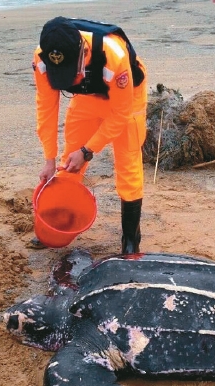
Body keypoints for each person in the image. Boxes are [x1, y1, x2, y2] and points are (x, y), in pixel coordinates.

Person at [32, 17, 148, 254]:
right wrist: (49, 159)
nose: (68, 81)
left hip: (127, 99)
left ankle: (130, 239)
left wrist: (87, 151)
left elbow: (121, 114)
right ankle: (60, 223)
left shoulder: (114, 56)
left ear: (83, 52)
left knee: (128, 166)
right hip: (86, 99)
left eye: (69, 73)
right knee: (69, 162)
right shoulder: (42, 58)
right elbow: (45, 108)